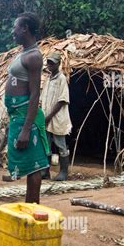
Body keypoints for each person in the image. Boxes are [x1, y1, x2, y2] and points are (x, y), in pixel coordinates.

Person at [4, 12, 50, 204]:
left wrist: (25, 129)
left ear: (25, 28)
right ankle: (30, 205)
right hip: (18, 115)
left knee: (34, 166)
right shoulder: (22, 53)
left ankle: (33, 206)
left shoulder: (33, 57)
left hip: (26, 117)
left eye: (15, 27)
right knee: (30, 164)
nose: (12, 31)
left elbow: (34, 95)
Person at [40, 52, 72, 181]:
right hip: (46, 118)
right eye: (48, 63)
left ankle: (64, 171)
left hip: (57, 118)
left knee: (60, 144)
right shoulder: (48, 79)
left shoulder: (61, 79)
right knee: (46, 144)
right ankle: (45, 171)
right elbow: (44, 99)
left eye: (52, 63)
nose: (49, 65)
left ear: (58, 64)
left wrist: (50, 116)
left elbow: (62, 100)